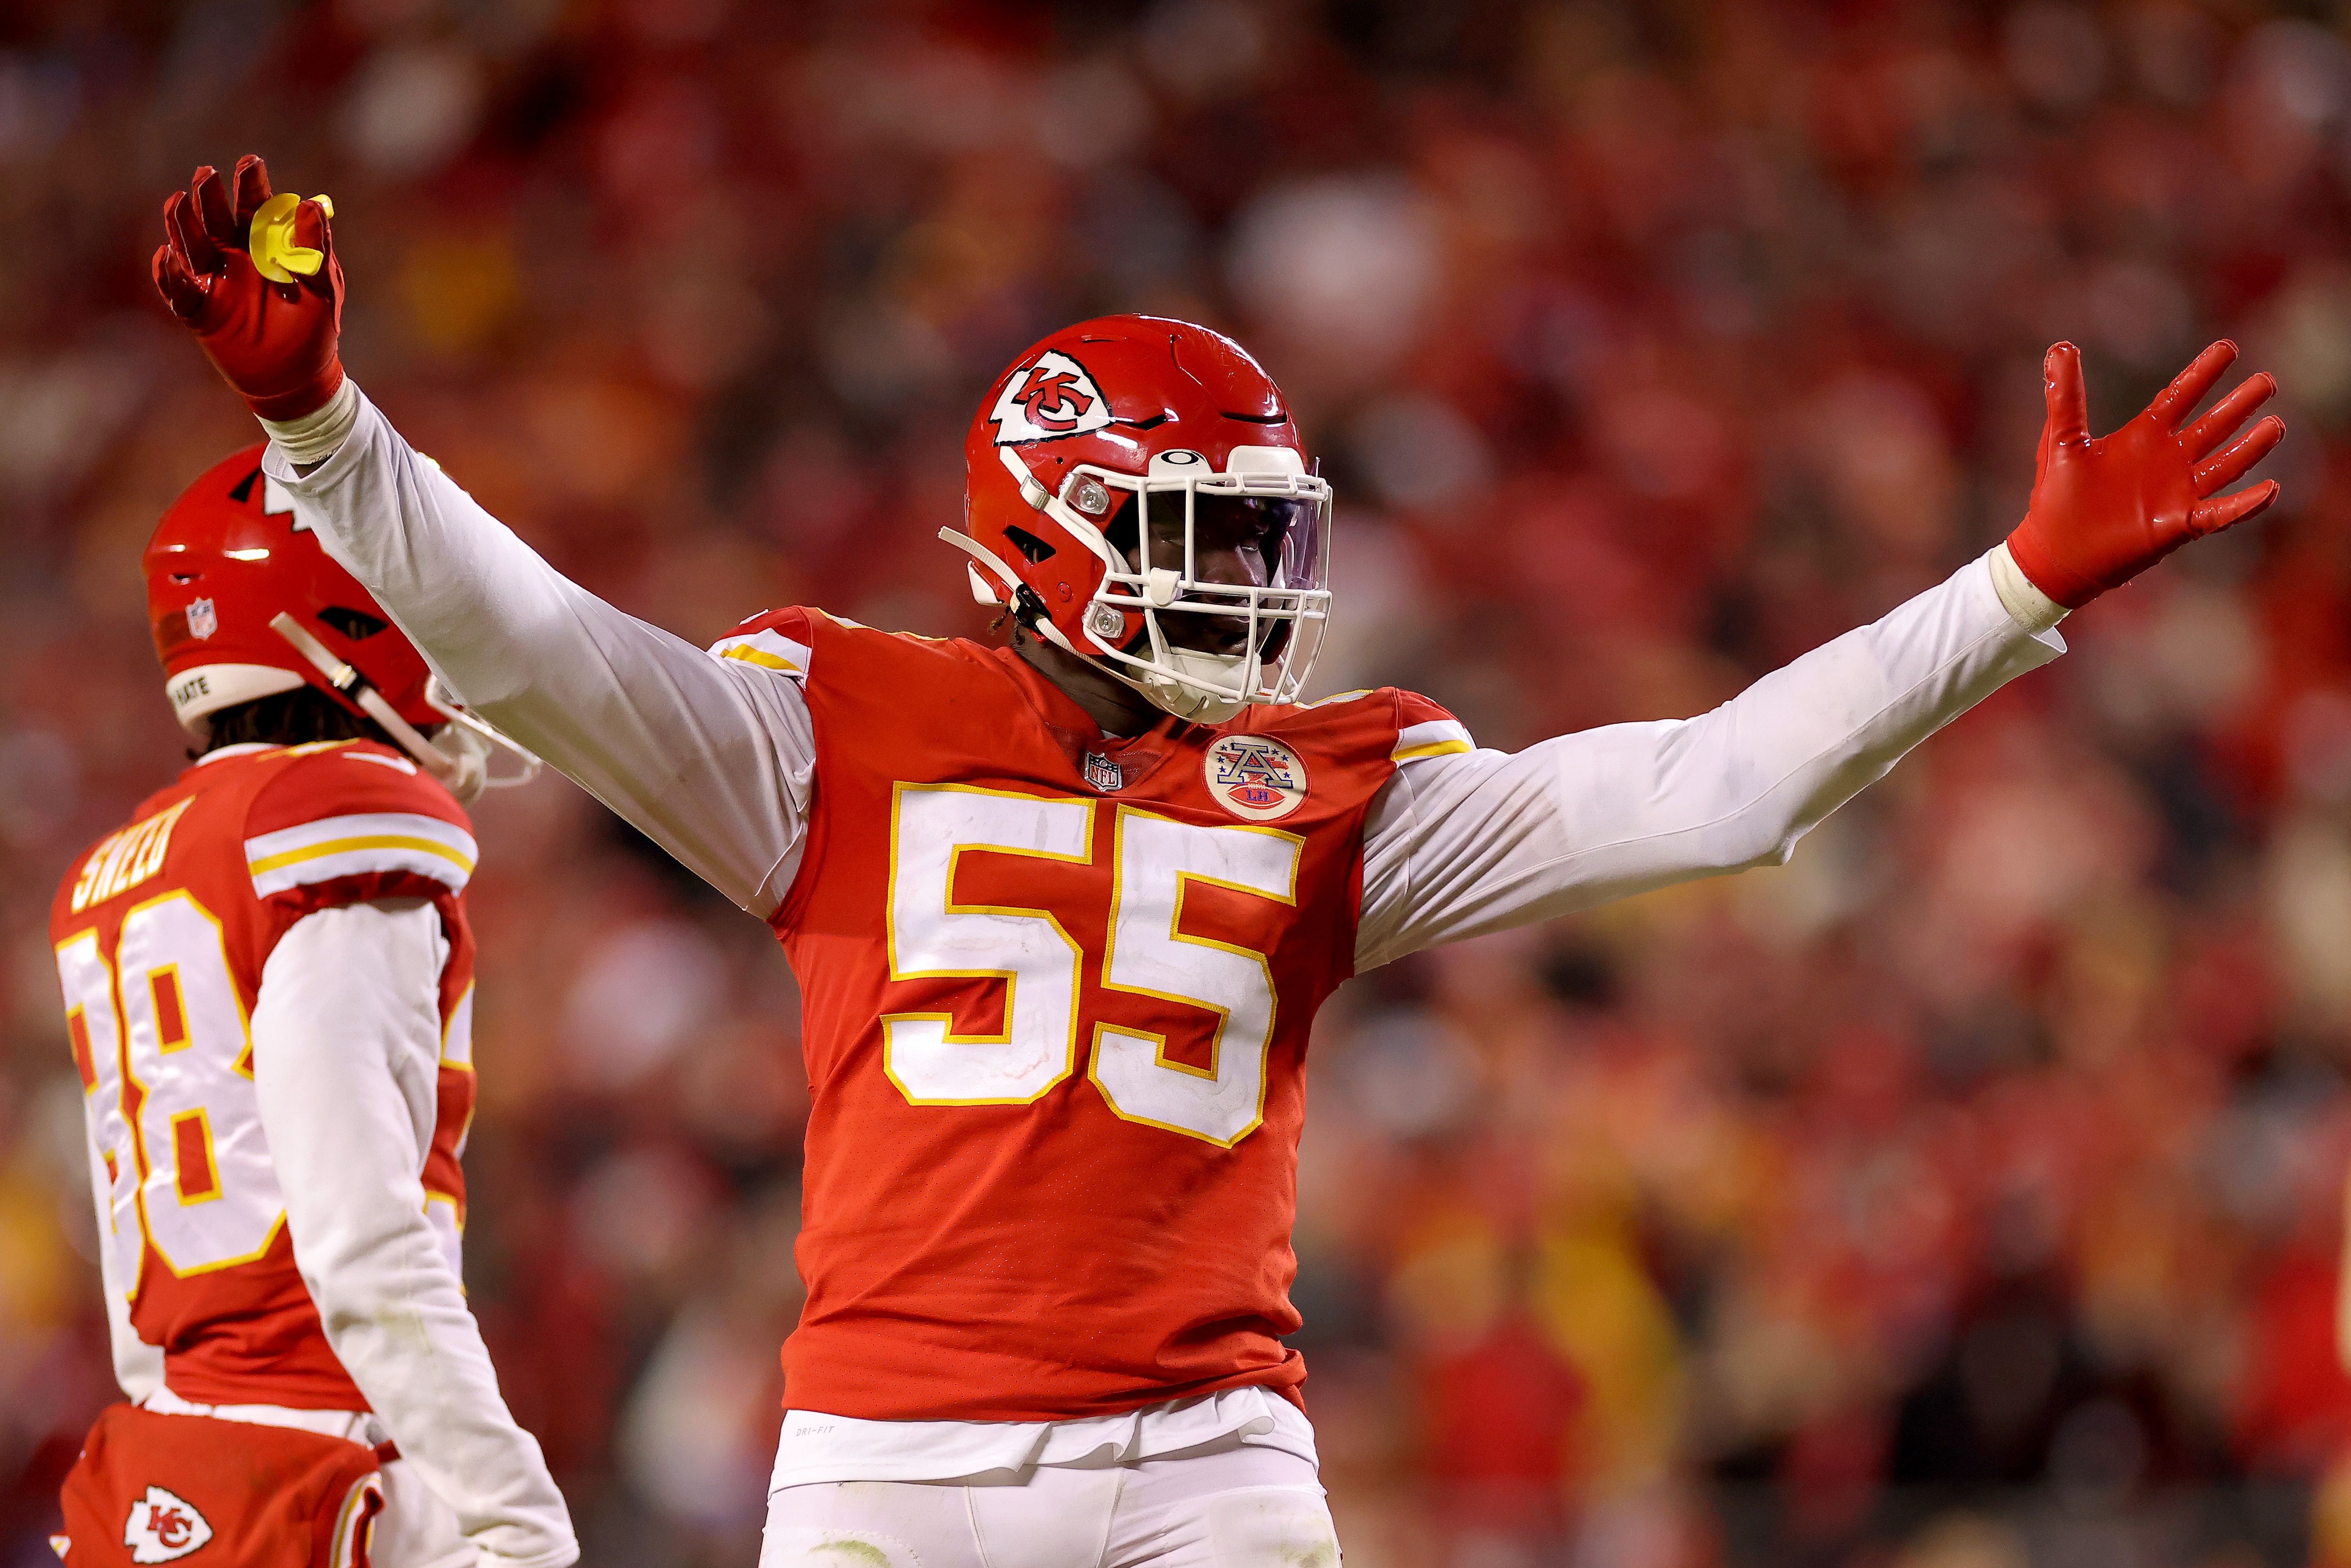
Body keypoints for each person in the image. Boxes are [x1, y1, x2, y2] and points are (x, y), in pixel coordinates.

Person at [150, 154, 2284, 1568]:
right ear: (1047, 537)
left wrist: (2014, 588)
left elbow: (1721, 788)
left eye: (1266, 533)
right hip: (900, 1463)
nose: (1255, 585)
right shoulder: (825, 725)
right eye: (1202, 533)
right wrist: (331, 425)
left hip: (1211, 1460)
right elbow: (533, 647)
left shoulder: (1338, 780)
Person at [47, 443, 575, 1568]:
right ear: (338, 617)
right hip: (323, 1466)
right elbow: (358, 1233)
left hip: (167, 1465)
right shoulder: (328, 820)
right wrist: (511, 1513)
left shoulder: (128, 865)